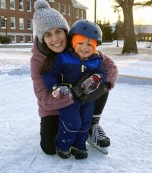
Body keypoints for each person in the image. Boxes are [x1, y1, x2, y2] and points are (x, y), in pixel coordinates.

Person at [30, 0, 118, 157]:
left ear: (66, 31)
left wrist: (101, 85)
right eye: (48, 35)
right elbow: (44, 97)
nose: (55, 38)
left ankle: (92, 125)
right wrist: (74, 94)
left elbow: (110, 67)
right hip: (53, 108)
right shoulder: (38, 60)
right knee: (50, 149)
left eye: (58, 31)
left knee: (99, 77)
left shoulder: (79, 45)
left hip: (84, 104)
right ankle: (69, 126)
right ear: (43, 38)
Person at [42, 20, 107, 159]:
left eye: (90, 44)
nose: (85, 47)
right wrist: (55, 89)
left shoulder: (96, 60)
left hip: (87, 99)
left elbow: (103, 74)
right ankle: (63, 146)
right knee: (72, 123)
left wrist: (96, 78)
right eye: (80, 43)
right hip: (69, 98)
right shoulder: (63, 58)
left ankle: (79, 146)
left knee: (85, 123)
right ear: (73, 42)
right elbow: (49, 74)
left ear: (95, 47)